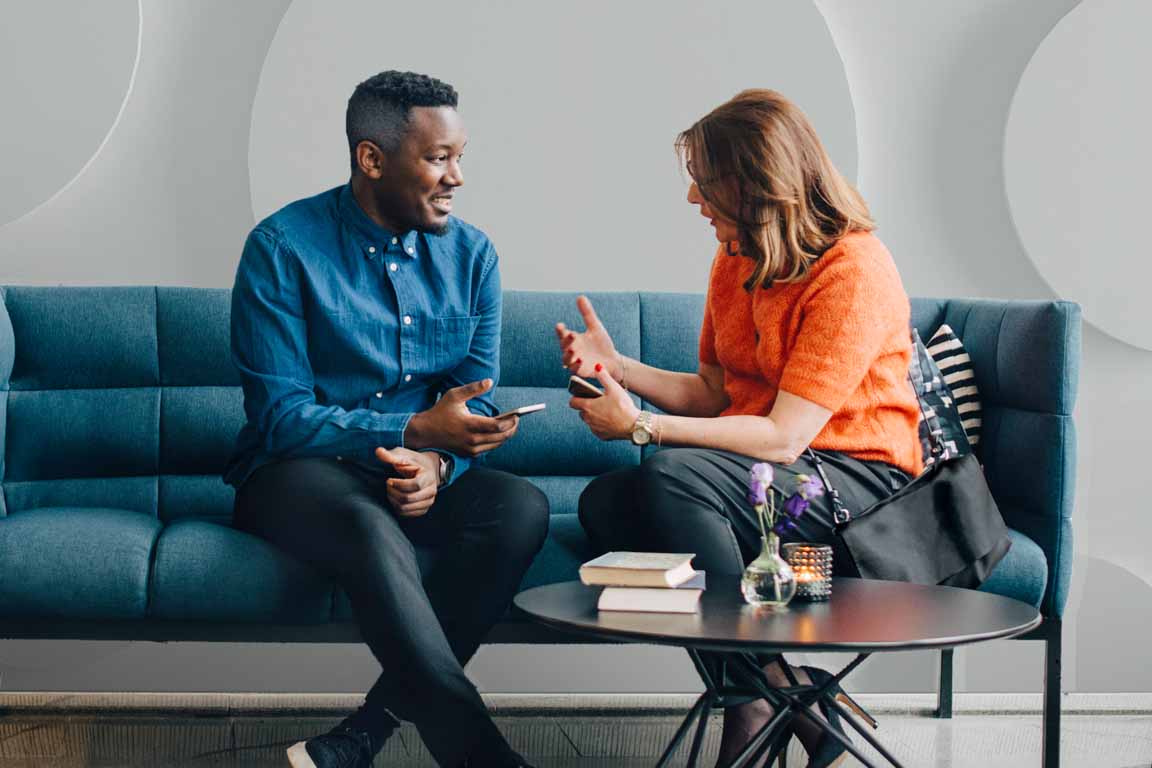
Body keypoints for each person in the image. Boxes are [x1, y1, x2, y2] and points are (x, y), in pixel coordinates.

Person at [558, 89, 922, 767]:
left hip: (857, 483)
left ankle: (750, 701)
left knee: (667, 477)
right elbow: (713, 394)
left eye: (706, 181)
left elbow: (785, 435)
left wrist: (640, 428)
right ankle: (780, 688)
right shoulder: (736, 261)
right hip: (769, 474)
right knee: (606, 505)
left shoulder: (853, 270)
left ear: (758, 183)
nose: (695, 199)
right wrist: (621, 368)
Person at [226, 71, 547, 768]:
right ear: (372, 159)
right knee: (369, 526)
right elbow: (281, 419)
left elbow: (474, 398)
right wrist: (410, 433)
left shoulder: (474, 256)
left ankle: (361, 736)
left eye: (460, 156)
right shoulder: (282, 249)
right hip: (297, 476)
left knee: (520, 508)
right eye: (438, 159)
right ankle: (483, 758)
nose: (457, 177)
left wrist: (437, 462)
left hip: (414, 473)